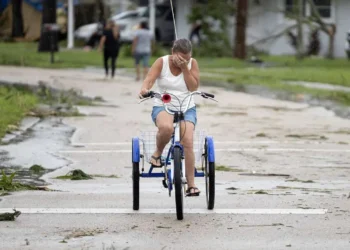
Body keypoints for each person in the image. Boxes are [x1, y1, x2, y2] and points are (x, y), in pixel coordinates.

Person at [138, 38, 201, 196]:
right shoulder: (162, 62)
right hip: (163, 104)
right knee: (166, 128)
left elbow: (193, 87)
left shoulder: (192, 63)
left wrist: (185, 68)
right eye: (180, 57)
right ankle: (158, 152)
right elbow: (149, 79)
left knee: (187, 141)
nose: (183, 60)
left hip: (186, 106)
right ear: (173, 52)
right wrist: (145, 89)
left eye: (186, 58)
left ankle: (191, 184)